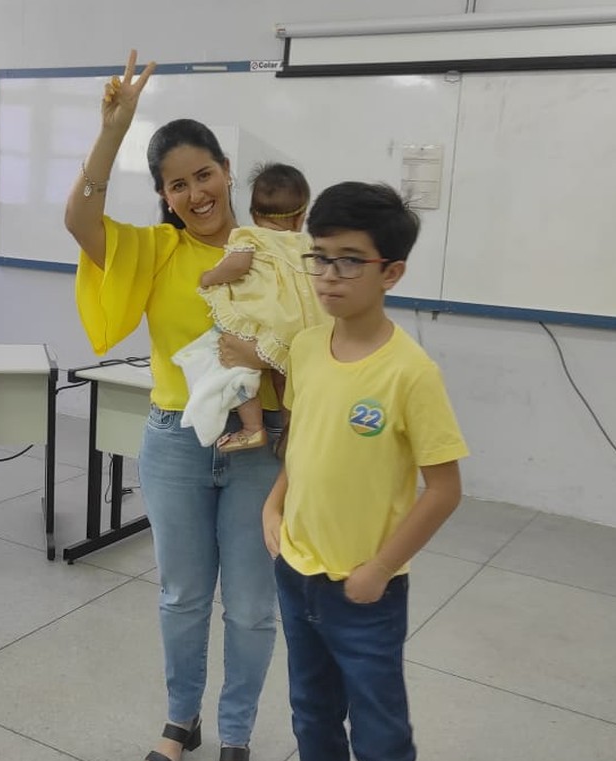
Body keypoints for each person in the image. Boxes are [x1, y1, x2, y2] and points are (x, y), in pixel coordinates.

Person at [64, 51, 281, 761]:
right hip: (176, 441)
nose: (196, 193)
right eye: (177, 184)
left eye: (205, 174)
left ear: (227, 172)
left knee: (250, 607)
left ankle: (238, 733)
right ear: (164, 195)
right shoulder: (155, 250)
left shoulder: (274, 251)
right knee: (183, 596)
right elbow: (80, 218)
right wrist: (113, 130)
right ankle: (180, 719)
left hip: (263, 448)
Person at [262, 182, 470, 761]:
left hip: (364, 590)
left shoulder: (411, 373)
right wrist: (272, 505)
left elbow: (446, 489)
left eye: (349, 260)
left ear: (392, 273)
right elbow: (300, 441)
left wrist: (379, 568)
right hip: (296, 569)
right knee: (311, 712)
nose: (329, 274)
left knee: (380, 732)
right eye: (320, 257)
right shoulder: (305, 347)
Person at [173, 163, 327, 452]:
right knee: (285, 379)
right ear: (301, 217)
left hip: (263, 317)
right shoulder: (307, 242)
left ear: (255, 214)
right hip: (301, 325)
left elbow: (238, 265)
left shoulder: (249, 236)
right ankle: (290, 427)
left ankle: (252, 428)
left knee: (235, 362)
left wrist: (209, 277)